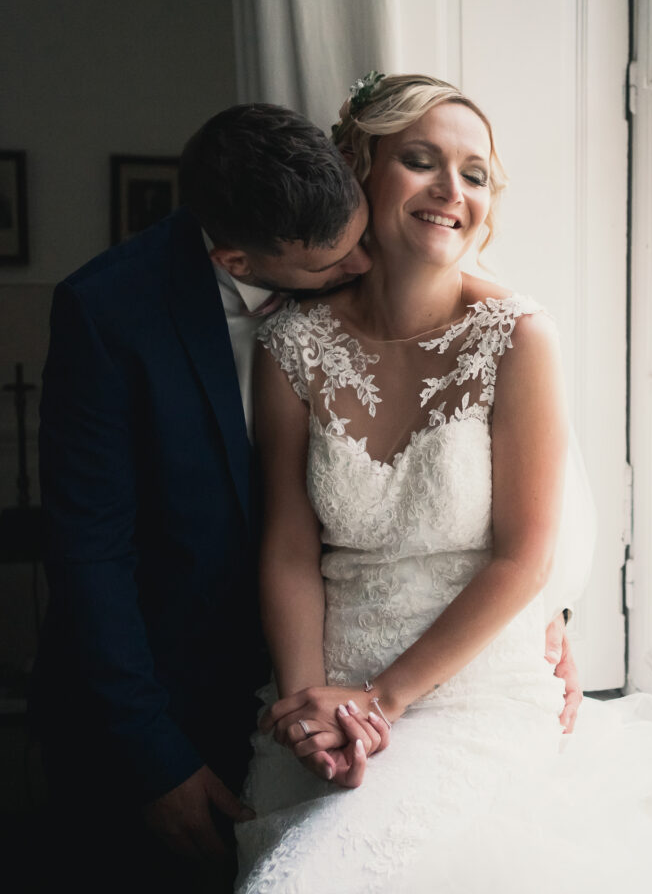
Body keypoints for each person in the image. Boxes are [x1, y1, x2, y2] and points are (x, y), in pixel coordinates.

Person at [31, 99, 580, 891]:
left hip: (444, 691)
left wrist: (550, 614)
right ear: (241, 262)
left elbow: (526, 532)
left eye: (474, 173)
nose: (354, 265)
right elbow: (93, 556)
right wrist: (166, 755)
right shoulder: (115, 313)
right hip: (189, 700)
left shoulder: (506, 327)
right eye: (332, 263)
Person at [234, 74, 652, 893]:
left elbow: (523, 558)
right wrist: (307, 706)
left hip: (470, 696)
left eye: (473, 174)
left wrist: (380, 702)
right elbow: (289, 547)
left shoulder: (517, 337)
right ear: (357, 170)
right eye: (418, 160)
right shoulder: (291, 344)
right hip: (324, 691)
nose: (451, 190)